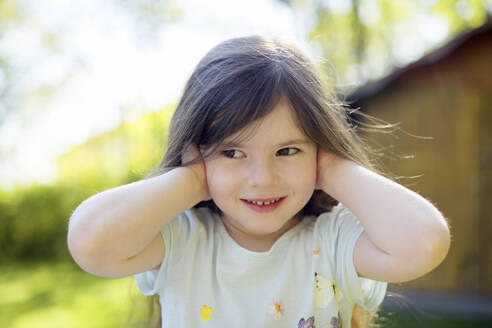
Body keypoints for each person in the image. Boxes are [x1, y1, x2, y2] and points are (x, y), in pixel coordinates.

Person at [67, 35, 451, 328]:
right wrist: (195, 177)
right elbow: (90, 243)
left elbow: (425, 242)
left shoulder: (331, 243)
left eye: (287, 151)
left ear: (318, 151)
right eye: (233, 153)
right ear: (195, 152)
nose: (263, 178)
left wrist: (331, 168)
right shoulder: (182, 241)